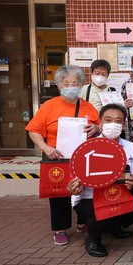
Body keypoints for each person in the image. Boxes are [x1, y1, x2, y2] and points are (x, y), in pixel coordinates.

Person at [26, 65, 100, 245]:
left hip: (82, 156)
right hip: (56, 156)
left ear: (81, 84)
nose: (70, 86)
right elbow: (33, 130)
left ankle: (83, 222)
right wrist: (45, 148)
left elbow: (99, 128)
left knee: (84, 190)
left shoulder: (88, 107)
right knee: (59, 192)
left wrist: (97, 128)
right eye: (65, 83)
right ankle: (60, 228)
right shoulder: (49, 106)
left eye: (74, 83)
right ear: (59, 85)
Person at [66, 104, 133, 257]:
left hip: (118, 194)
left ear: (123, 126)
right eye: (108, 120)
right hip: (88, 199)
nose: (113, 124)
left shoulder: (130, 147)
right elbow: (71, 184)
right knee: (102, 206)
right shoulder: (85, 146)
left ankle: (113, 225)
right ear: (99, 124)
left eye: (118, 121)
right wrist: (74, 187)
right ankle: (93, 238)